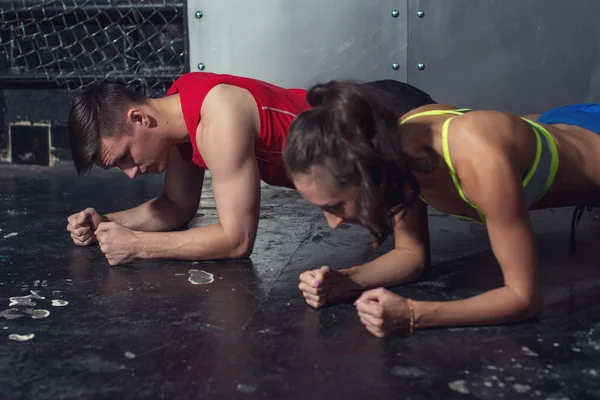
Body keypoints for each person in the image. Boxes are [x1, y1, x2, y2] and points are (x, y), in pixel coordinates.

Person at [282, 80, 600, 337]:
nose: (333, 223)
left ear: (369, 172)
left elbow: (523, 298)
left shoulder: (477, 155)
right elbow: (411, 256)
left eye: (336, 205)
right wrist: (346, 280)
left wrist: (412, 314)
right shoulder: (393, 155)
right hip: (558, 123)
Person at [65, 72, 437, 266]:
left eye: (125, 158)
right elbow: (176, 207)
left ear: (139, 118)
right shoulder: (177, 110)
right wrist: (108, 221)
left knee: (478, 195)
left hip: (389, 117)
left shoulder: (220, 116)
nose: (130, 173)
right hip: (364, 128)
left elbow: (237, 241)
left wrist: (139, 247)